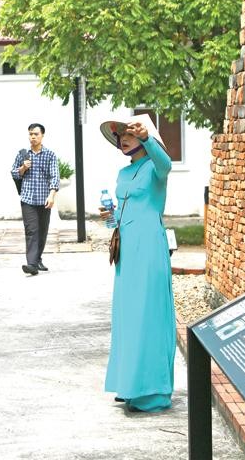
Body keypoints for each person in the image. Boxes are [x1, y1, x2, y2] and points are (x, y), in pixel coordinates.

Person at [98, 115, 175, 413]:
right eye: (120, 136)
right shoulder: (122, 173)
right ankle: (130, 385)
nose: (124, 139)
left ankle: (153, 391)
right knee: (128, 316)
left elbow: (166, 164)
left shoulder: (156, 168)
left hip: (150, 249)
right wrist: (110, 219)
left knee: (149, 314)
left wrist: (147, 138)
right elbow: (125, 213)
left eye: (129, 134)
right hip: (127, 252)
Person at [10, 123, 59, 276]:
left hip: (44, 200)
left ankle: (37, 259)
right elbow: (14, 173)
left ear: (42, 135)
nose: (33, 137)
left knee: (42, 231)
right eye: (30, 134)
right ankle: (31, 264)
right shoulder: (23, 154)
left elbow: (54, 176)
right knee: (31, 231)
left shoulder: (50, 155)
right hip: (28, 199)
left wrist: (51, 195)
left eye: (36, 134)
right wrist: (23, 168)